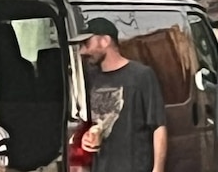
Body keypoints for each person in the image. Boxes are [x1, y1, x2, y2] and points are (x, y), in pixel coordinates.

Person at [70, 18, 167, 172]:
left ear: (105, 41)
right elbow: (86, 122)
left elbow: (158, 126)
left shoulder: (141, 75)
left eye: (86, 43)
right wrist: (85, 139)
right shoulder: (89, 79)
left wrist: (158, 169)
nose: (82, 51)